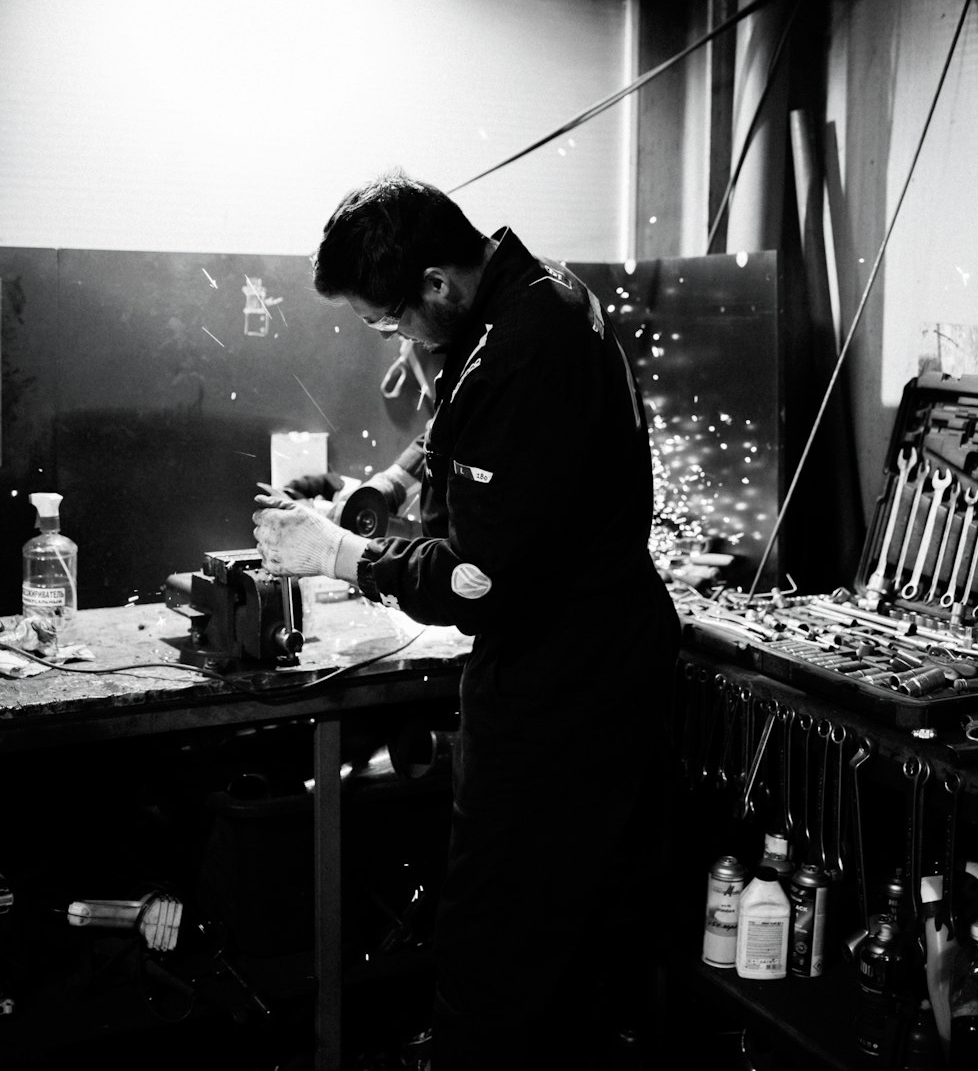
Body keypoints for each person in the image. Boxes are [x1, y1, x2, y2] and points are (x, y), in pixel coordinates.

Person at [252, 171, 681, 1070]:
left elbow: (474, 580)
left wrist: (335, 554)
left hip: (565, 680)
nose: (393, 338)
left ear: (437, 286)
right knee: (558, 934)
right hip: (591, 653)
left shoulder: (529, 345)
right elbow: (466, 412)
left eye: (389, 321)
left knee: (500, 940)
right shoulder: (535, 290)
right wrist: (393, 486)